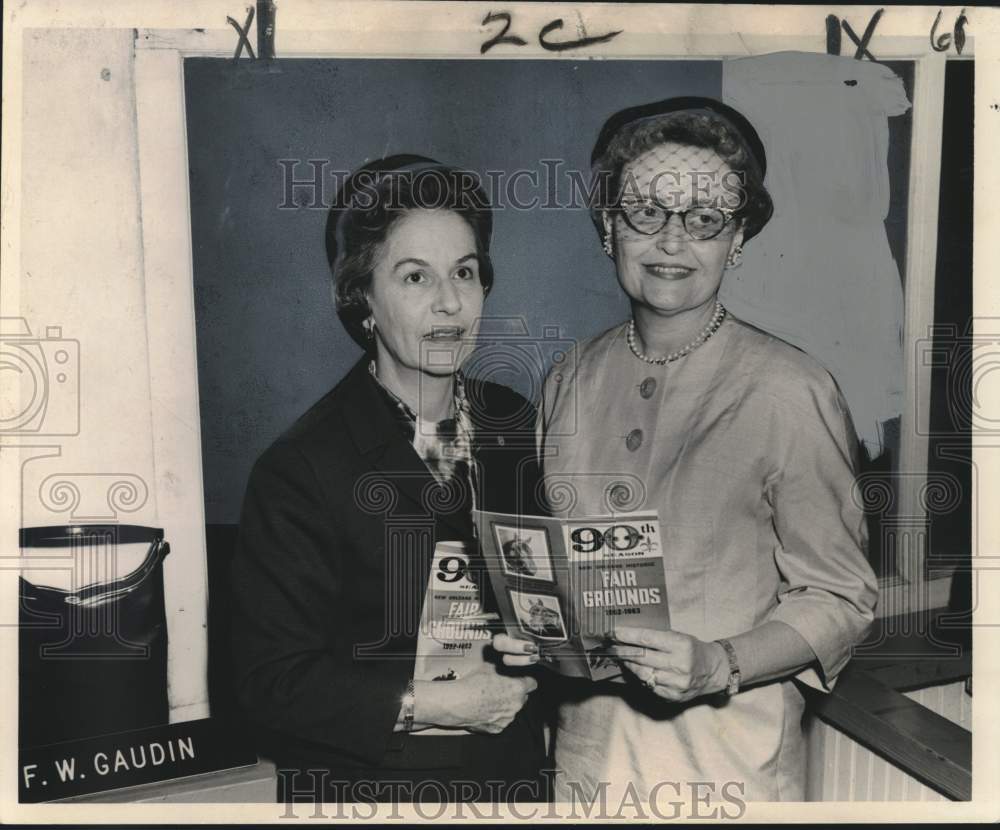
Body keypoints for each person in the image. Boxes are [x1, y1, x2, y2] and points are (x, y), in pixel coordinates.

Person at [495, 97, 878, 801]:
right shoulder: (568, 380)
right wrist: (530, 636)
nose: (672, 241)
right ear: (608, 227)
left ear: (737, 241)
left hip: (727, 775)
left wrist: (721, 663)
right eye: (646, 211)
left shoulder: (789, 390)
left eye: (704, 219)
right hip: (586, 770)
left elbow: (841, 597)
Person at [231, 155, 546, 803]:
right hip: (371, 792)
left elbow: (536, 596)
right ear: (363, 299)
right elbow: (269, 682)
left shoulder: (515, 424)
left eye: (465, 272)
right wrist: (432, 705)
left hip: (510, 783)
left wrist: (543, 644)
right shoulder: (300, 469)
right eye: (415, 277)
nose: (450, 302)